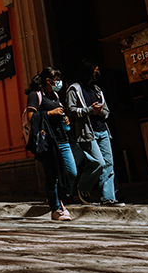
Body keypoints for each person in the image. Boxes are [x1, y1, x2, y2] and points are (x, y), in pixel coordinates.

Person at [67, 60, 123, 206]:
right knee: (98, 162)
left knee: (109, 164)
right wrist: (90, 110)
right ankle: (83, 187)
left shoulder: (97, 90)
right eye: (95, 71)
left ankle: (108, 197)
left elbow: (107, 111)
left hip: (102, 130)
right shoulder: (74, 89)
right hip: (87, 132)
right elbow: (70, 110)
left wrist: (100, 112)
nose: (97, 73)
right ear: (87, 72)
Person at [26, 67, 74, 221]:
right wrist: (50, 113)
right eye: (56, 79)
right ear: (48, 81)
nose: (59, 82)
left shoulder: (56, 96)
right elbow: (31, 116)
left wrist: (64, 118)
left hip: (62, 139)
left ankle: (61, 201)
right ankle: (56, 208)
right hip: (47, 141)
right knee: (52, 175)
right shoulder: (35, 95)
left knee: (71, 171)